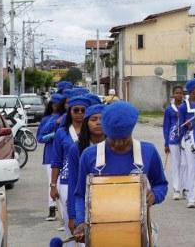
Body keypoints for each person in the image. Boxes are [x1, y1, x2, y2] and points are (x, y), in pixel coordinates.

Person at [72, 102, 168, 242]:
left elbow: (161, 184)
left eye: (124, 139)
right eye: (113, 139)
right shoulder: (89, 155)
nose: (118, 144)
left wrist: (155, 195)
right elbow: (80, 194)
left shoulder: (148, 151)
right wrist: (80, 221)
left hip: (137, 235)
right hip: (101, 235)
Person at [50, 94, 98, 246]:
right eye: (75, 110)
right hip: (66, 181)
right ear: (70, 112)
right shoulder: (62, 132)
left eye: (83, 110)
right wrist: (52, 185)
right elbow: (56, 160)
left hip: (92, 183)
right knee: (72, 224)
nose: (79, 113)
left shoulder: (99, 136)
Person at [66, 103, 105, 236]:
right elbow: (74, 185)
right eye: (94, 119)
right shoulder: (76, 149)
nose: (98, 123)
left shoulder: (114, 147)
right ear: (86, 123)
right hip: (87, 206)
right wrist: (73, 216)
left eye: (102, 119)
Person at [37, 93, 66, 221]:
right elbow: (40, 138)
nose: (55, 106)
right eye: (53, 104)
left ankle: (64, 216)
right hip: (50, 156)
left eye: (58, 104)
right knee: (53, 184)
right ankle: (52, 210)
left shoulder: (68, 117)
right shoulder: (47, 119)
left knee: (63, 186)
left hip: (65, 156)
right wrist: (54, 133)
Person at [178, 78, 195, 208]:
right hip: (190, 139)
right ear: (192, 91)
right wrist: (187, 125)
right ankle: (192, 197)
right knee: (191, 168)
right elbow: (180, 126)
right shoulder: (184, 107)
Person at [163, 86, 185, 200]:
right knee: (176, 164)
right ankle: (176, 188)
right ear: (173, 95)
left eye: (180, 93)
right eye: (177, 93)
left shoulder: (186, 107)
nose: (179, 95)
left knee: (185, 164)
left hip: (184, 138)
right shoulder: (169, 109)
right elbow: (166, 126)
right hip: (173, 139)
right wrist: (166, 142)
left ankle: (185, 187)